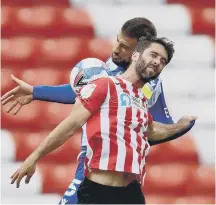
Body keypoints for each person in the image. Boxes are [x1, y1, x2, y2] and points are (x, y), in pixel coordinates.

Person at [1, 18, 195, 204]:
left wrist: (180, 126)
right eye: (117, 41)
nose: (116, 49)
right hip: (94, 162)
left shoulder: (151, 85)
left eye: (124, 46)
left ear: (138, 51)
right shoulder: (106, 73)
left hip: (129, 185)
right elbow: (83, 94)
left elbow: (155, 128)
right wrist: (37, 91)